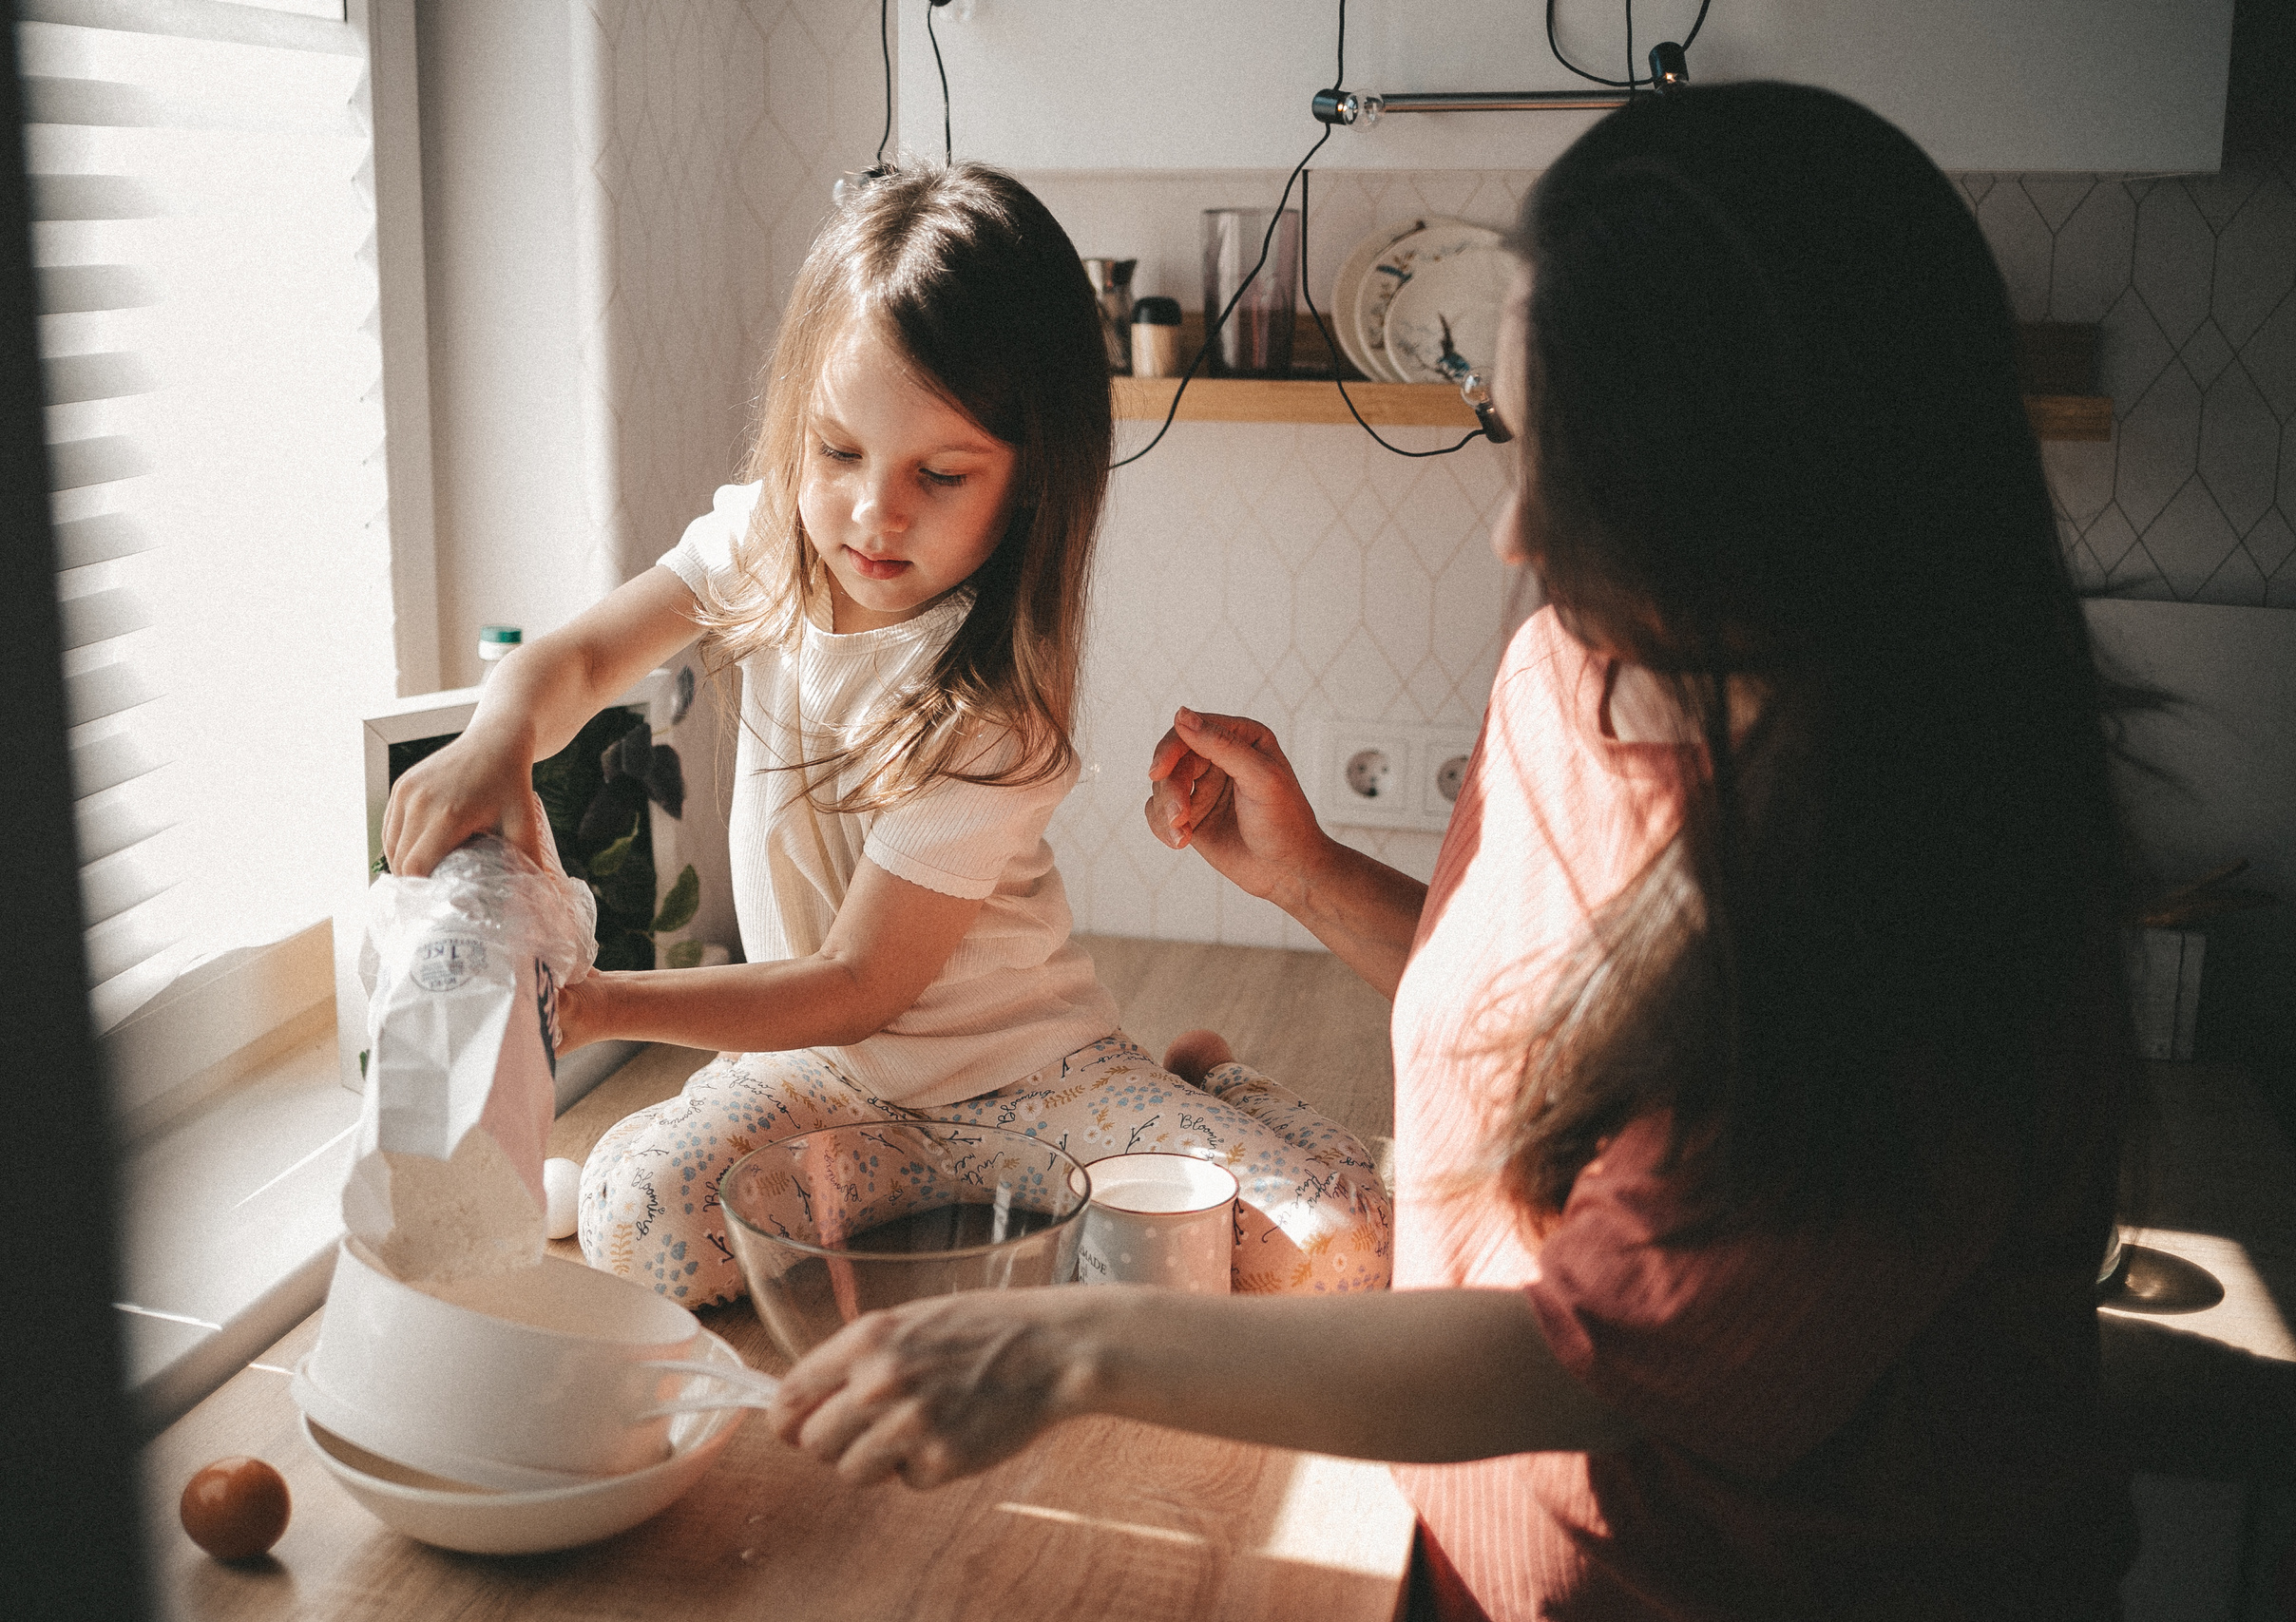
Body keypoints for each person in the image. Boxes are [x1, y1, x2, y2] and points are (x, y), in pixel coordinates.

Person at [768, 84, 2141, 1620]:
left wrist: (1069, 1343)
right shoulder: (1577, 667)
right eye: (1512, 437)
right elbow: (1581, 1045)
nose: (1517, 536)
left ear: (1754, 472)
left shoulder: (1924, 903)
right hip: (1449, 1564)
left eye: (1569, 462)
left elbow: (1577, 1356)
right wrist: (1308, 876)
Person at [380, 161, 1390, 1307]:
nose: (874, 512)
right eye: (837, 452)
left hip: (1032, 1080)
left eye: (941, 474)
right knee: (632, 1222)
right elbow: (579, 657)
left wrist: (608, 1002)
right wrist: (495, 737)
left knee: (1338, 1253)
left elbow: (859, 981)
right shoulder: (766, 538)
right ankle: (948, 1202)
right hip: (821, 1081)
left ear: (1030, 483)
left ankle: (1215, 1086)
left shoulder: (996, 708)